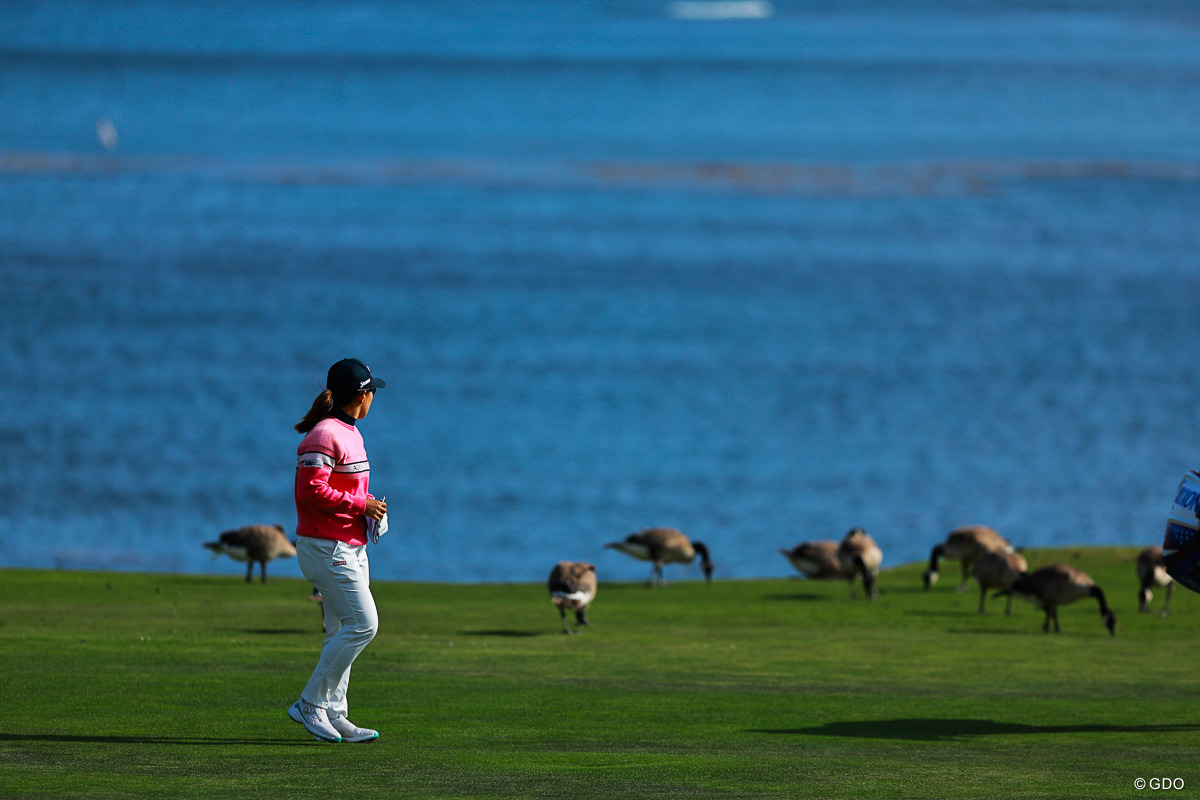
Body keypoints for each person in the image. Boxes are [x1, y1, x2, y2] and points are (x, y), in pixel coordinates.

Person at [287, 358, 388, 743]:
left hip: (350, 545)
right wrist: (359, 504)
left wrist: (368, 507)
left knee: (339, 630)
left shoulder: (349, 432)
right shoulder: (323, 435)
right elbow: (310, 491)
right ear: (362, 396)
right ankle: (310, 703)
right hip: (327, 548)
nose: (373, 398)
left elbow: (340, 488)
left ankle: (334, 712)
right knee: (365, 624)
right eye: (372, 392)